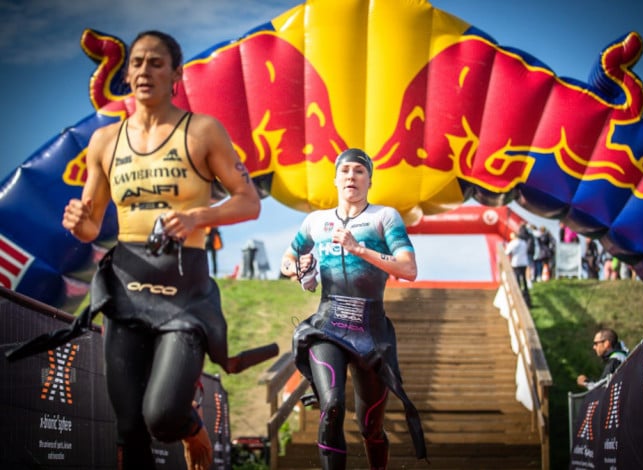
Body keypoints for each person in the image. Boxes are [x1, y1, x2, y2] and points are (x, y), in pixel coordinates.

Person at [61, 31, 261, 470]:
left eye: (155, 63)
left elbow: (250, 202)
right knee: (128, 427)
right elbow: (92, 223)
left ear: (176, 74)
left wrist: (197, 218)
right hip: (127, 287)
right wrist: (80, 224)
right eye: (136, 63)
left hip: (184, 289)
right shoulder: (104, 142)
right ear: (126, 72)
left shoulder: (203, 131)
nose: (143, 71)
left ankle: (193, 432)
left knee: (164, 415)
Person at [279, 148, 426, 469]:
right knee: (331, 405)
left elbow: (408, 268)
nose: (351, 176)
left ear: (369, 180)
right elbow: (287, 258)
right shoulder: (316, 221)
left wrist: (358, 248)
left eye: (359, 171)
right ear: (335, 179)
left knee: (370, 428)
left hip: (370, 331)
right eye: (345, 171)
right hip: (327, 325)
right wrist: (298, 267)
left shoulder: (384, 217)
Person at [505, 230, 532, 307]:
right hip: (523, 262)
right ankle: (525, 293)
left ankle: (518, 293)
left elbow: (507, 252)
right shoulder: (523, 242)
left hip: (516, 263)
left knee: (517, 279)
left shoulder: (513, 243)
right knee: (523, 278)